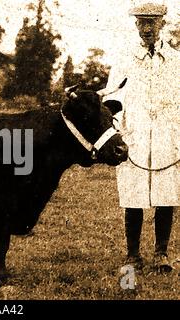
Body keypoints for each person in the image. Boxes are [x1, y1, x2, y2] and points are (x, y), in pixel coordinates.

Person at [104, 2, 179, 273]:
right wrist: (118, 135)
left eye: (152, 22)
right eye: (142, 22)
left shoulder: (174, 60)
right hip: (133, 134)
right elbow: (112, 98)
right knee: (133, 194)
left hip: (166, 135)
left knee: (166, 193)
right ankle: (133, 255)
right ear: (135, 25)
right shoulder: (125, 58)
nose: (147, 28)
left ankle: (161, 254)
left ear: (161, 24)